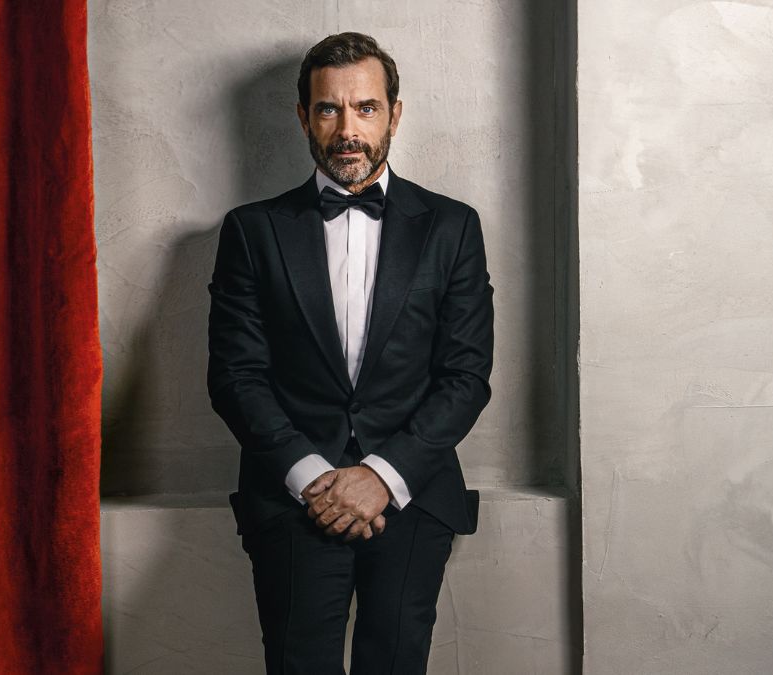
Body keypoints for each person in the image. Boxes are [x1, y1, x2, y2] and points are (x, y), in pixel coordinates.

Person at [207, 31, 494, 675]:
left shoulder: (453, 227)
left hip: (412, 494)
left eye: (365, 108)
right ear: (303, 116)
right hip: (293, 496)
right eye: (328, 109)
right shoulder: (252, 231)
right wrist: (314, 479)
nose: (347, 130)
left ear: (395, 113)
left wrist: (382, 477)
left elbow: (466, 376)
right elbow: (235, 376)